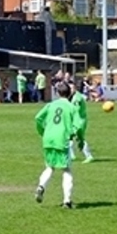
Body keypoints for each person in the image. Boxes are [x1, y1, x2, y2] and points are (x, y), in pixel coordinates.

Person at [33, 81, 81, 209]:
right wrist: (76, 136)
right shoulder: (71, 107)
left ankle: (41, 186)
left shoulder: (50, 105)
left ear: (57, 93)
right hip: (61, 140)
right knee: (66, 170)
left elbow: (38, 118)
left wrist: (42, 131)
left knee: (49, 167)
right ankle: (67, 201)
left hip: (48, 139)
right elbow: (78, 125)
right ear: (70, 93)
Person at [67, 80, 94, 163]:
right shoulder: (73, 97)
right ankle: (71, 155)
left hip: (79, 122)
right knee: (69, 137)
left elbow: (76, 109)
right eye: (69, 88)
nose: (70, 90)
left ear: (75, 88)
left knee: (79, 139)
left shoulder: (77, 97)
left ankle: (89, 156)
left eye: (72, 88)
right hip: (77, 121)